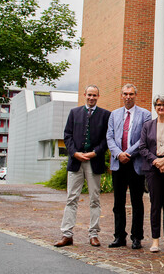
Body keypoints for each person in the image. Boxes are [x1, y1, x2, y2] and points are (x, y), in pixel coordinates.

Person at [54, 85, 110, 247]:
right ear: (84, 95)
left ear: (98, 96)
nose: (92, 98)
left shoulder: (105, 115)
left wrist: (95, 153)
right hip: (76, 161)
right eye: (89, 95)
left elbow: (106, 139)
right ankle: (67, 234)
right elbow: (67, 135)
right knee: (71, 198)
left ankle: (93, 233)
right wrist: (74, 153)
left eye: (95, 95)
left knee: (95, 199)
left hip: (94, 161)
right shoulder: (74, 113)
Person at [106, 84, 151, 249]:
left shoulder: (145, 114)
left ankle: (137, 237)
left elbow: (143, 139)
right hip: (118, 164)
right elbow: (109, 137)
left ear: (135, 95)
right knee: (118, 202)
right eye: (125, 94)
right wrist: (119, 154)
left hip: (135, 163)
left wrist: (128, 153)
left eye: (131, 94)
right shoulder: (114, 114)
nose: (128, 97)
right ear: (121, 95)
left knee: (137, 202)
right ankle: (119, 236)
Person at [138, 95, 164, 253]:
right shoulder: (148, 125)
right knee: (155, 206)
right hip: (152, 170)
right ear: (155, 107)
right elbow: (142, 147)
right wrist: (156, 161)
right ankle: (155, 240)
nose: (161, 107)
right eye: (158, 105)